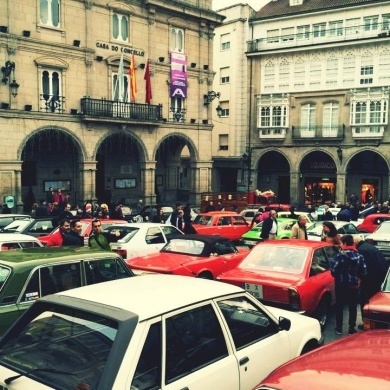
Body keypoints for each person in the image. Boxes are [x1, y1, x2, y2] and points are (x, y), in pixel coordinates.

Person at [330, 234, 367, 335]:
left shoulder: (339, 256)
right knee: (352, 306)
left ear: (345, 243)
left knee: (339, 306)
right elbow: (363, 272)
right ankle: (351, 328)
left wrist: (339, 276)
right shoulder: (360, 256)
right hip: (353, 286)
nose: (340, 245)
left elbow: (333, 271)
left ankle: (339, 327)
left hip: (340, 285)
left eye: (341, 243)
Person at [354, 236, 389, 328]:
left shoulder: (362, 250)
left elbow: (364, 267)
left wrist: (360, 278)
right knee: (376, 301)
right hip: (380, 277)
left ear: (355, 243)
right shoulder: (369, 247)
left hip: (370, 280)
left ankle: (367, 324)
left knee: (364, 301)